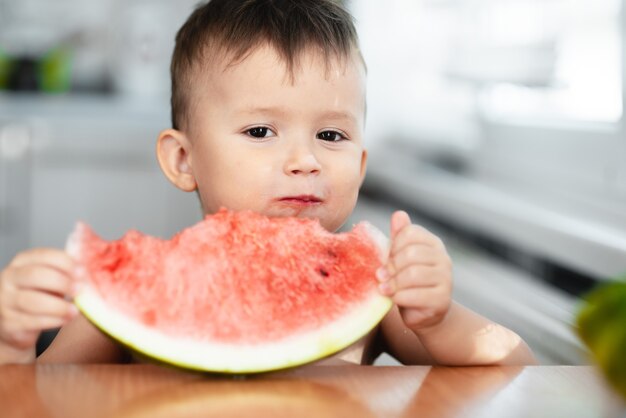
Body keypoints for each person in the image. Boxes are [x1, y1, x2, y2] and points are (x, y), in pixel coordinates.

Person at [0, 0, 536, 366]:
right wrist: (13, 343)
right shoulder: (115, 309)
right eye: (261, 130)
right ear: (183, 159)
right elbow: (41, 397)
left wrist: (438, 320)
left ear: (363, 161)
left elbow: (516, 362)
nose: (305, 160)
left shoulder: (382, 296)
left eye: (331, 134)